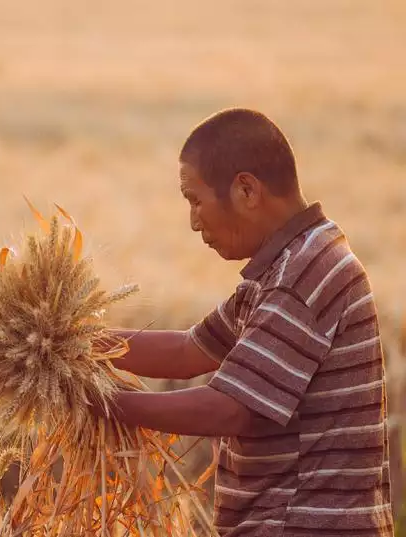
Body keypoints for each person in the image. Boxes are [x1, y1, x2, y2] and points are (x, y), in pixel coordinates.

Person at [101, 108, 396, 536]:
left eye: (195, 200)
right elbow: (189, 351)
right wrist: (70, 344)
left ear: (246, 190)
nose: (192, 221)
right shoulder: (283, 267)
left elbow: (231, 408)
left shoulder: (305, 272)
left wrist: (102, 403)